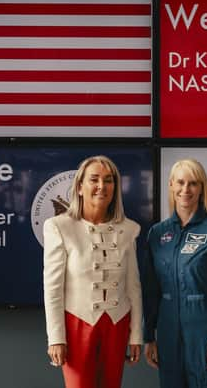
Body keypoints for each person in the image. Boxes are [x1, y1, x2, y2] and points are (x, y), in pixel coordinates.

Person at [142, 158, 207, 388]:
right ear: (171, 185)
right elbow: (150, 290)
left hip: (204, 330)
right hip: (168, 330)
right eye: (180, 182)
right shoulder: (157, 234)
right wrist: (148, 335)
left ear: (202, 188)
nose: (185, 190)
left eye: (193, 183)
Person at [43, 155, 142, 388]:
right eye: (94, 179)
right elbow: (53, 289)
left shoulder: (130, 229)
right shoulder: (58, 226)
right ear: (79, 186)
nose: (101, 186)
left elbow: (133, 286)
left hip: (117, 324)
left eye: (109, 180)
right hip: (77, 323)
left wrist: (136, 334)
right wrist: (56, 338)